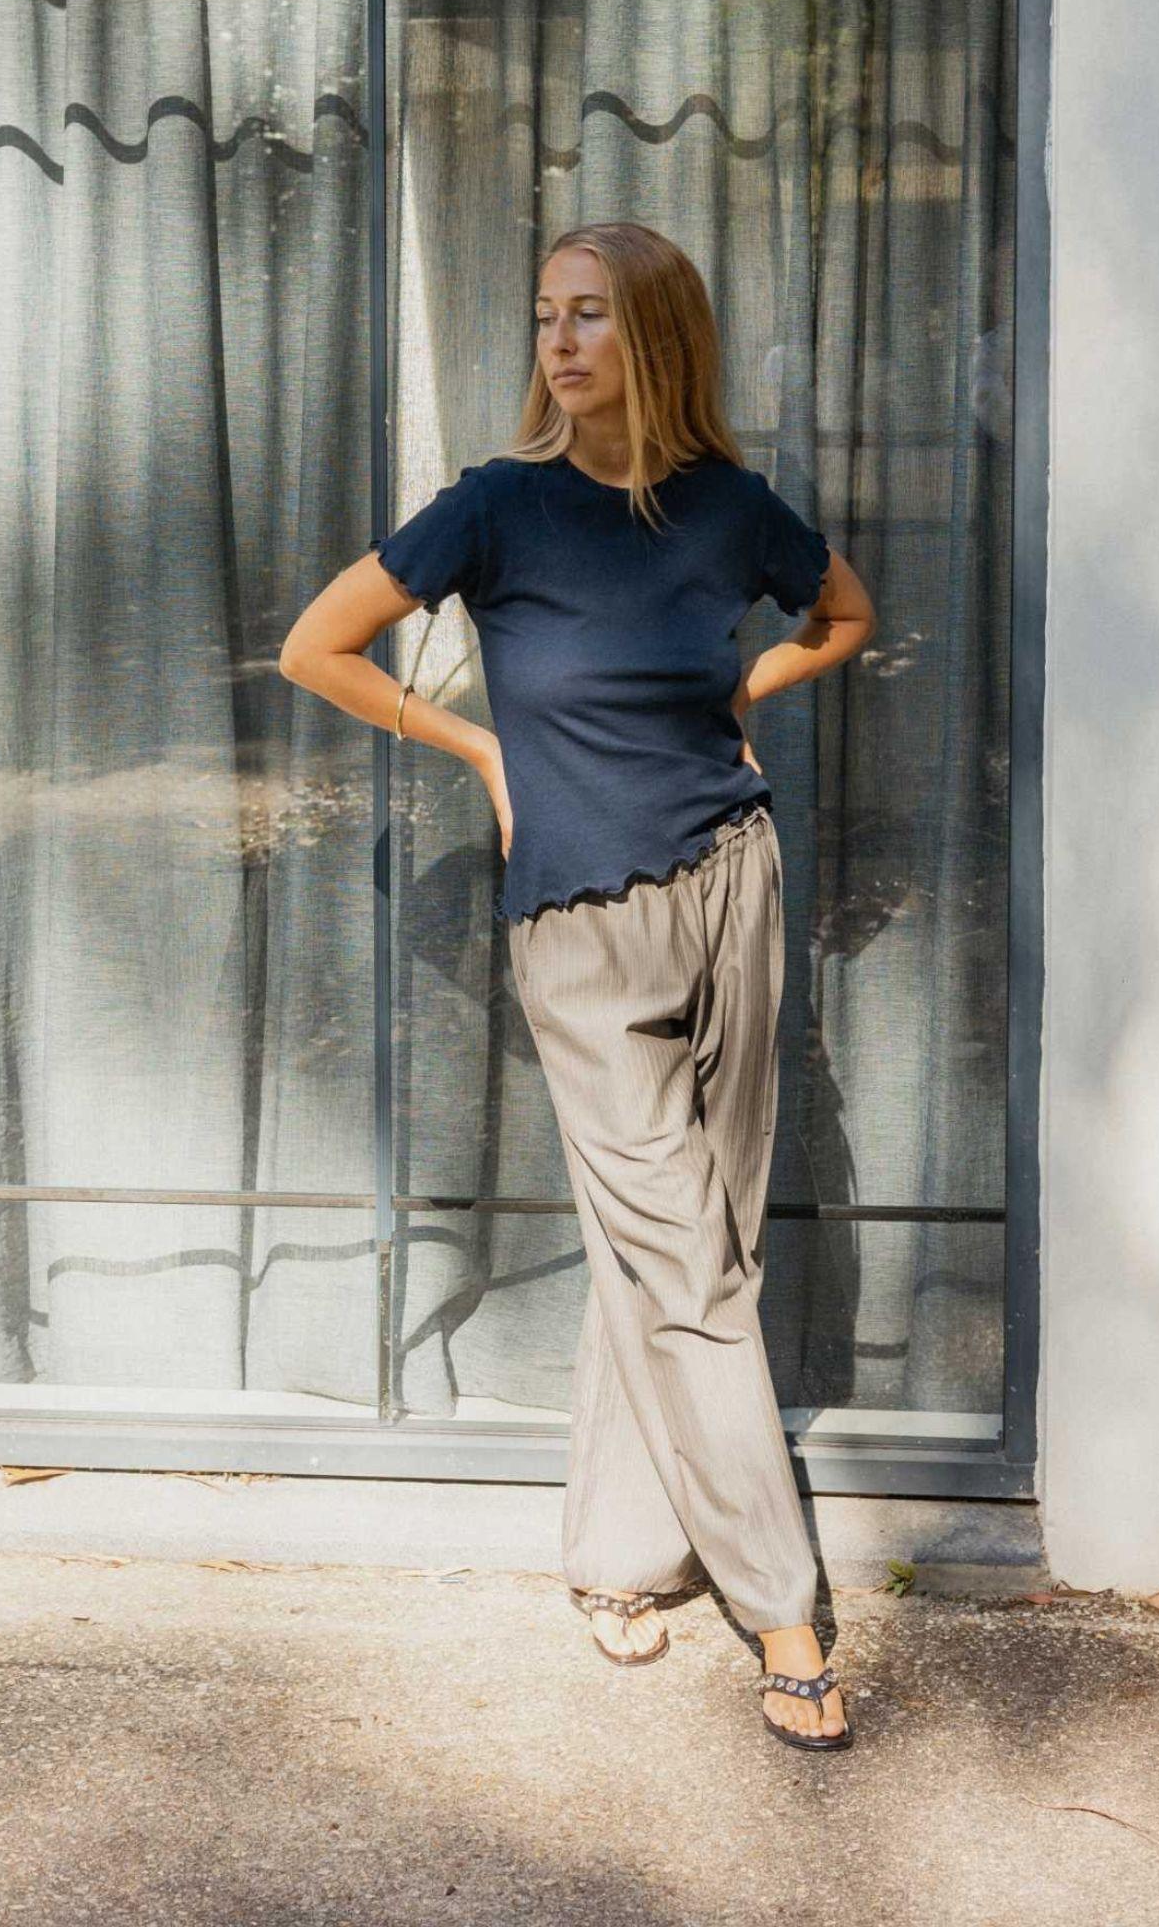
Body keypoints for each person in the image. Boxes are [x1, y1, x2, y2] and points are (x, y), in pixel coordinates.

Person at [280, 221, 877, 1752]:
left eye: (591, 315)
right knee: (685, 1263)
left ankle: (621, 1555)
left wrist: (744, 688)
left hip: (731, 887)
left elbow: (848, 618)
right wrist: (482, 749)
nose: (559, 341)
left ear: (654, 337)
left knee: (686, 1248)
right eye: (546, 313)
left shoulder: (730, 511)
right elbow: (316, 650)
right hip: (580, 919)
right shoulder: (495, 509)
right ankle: (785, 1612)